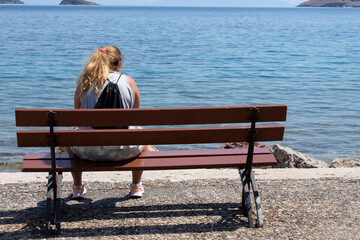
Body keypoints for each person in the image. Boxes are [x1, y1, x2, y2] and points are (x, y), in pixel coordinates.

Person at [70, 46, 146, 199]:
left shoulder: (84, 84)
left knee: (73, 135)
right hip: (126, 151)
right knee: (142, 136)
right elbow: (135, 118)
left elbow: (77, 120)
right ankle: (136, 186)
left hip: (87, 152)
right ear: (119, 63)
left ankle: (78, 187)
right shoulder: (129, 82)